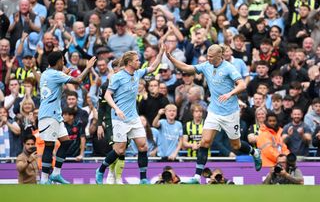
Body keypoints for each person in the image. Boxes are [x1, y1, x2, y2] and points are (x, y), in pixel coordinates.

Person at [166, 44, 262, 184]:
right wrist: (171, 58)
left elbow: (242, 85)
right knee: (204, 142)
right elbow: (187, 67)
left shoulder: (229, 67)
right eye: (208, 56)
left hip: (230, 113)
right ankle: (197, 178)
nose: (208, 58)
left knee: (235, 145)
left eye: (211, 56)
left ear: (219, 56)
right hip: (214, 111)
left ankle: (255, 153)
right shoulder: (206, 65)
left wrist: (230, 93)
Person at [95, 47, 164, 184]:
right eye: (137, 60)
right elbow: (107, 95)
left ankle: (143, 178)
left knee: (143, 146)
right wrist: (116, 108)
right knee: (119, 150)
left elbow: (153, 66)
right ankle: (101, 169)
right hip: (119, 119)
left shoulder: (137, 73)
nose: (139, 62)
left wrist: (161, 53)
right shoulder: (117, 77)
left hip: (134, 118)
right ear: (129, 63)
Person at [38, 51, 96, 184]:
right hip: (49, 115)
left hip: (55, 116)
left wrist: (65, 75)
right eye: (62, 61)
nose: (63, 63)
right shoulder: (55, 74)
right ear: (58, 61)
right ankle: (44, 179)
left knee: (66, 142)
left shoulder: (46, 74)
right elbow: (79, 80)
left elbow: (56, 88)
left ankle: (56, 174)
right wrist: (88, 67)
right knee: (49, 145)